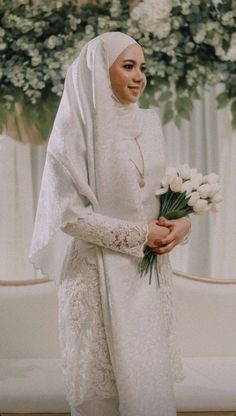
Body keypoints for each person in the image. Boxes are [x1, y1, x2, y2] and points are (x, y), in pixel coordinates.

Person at [29, 32, 191, 416]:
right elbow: (67, 215)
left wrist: (181, 226)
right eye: (128, 66)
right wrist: (140, 234)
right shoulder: (75, 128)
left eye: (143, 68)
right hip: (93, 277)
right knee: (102, 400)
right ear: (102, 72)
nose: (139, 77)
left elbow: (160, 194)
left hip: (146, 277)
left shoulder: (150, 123)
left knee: (150, 394)